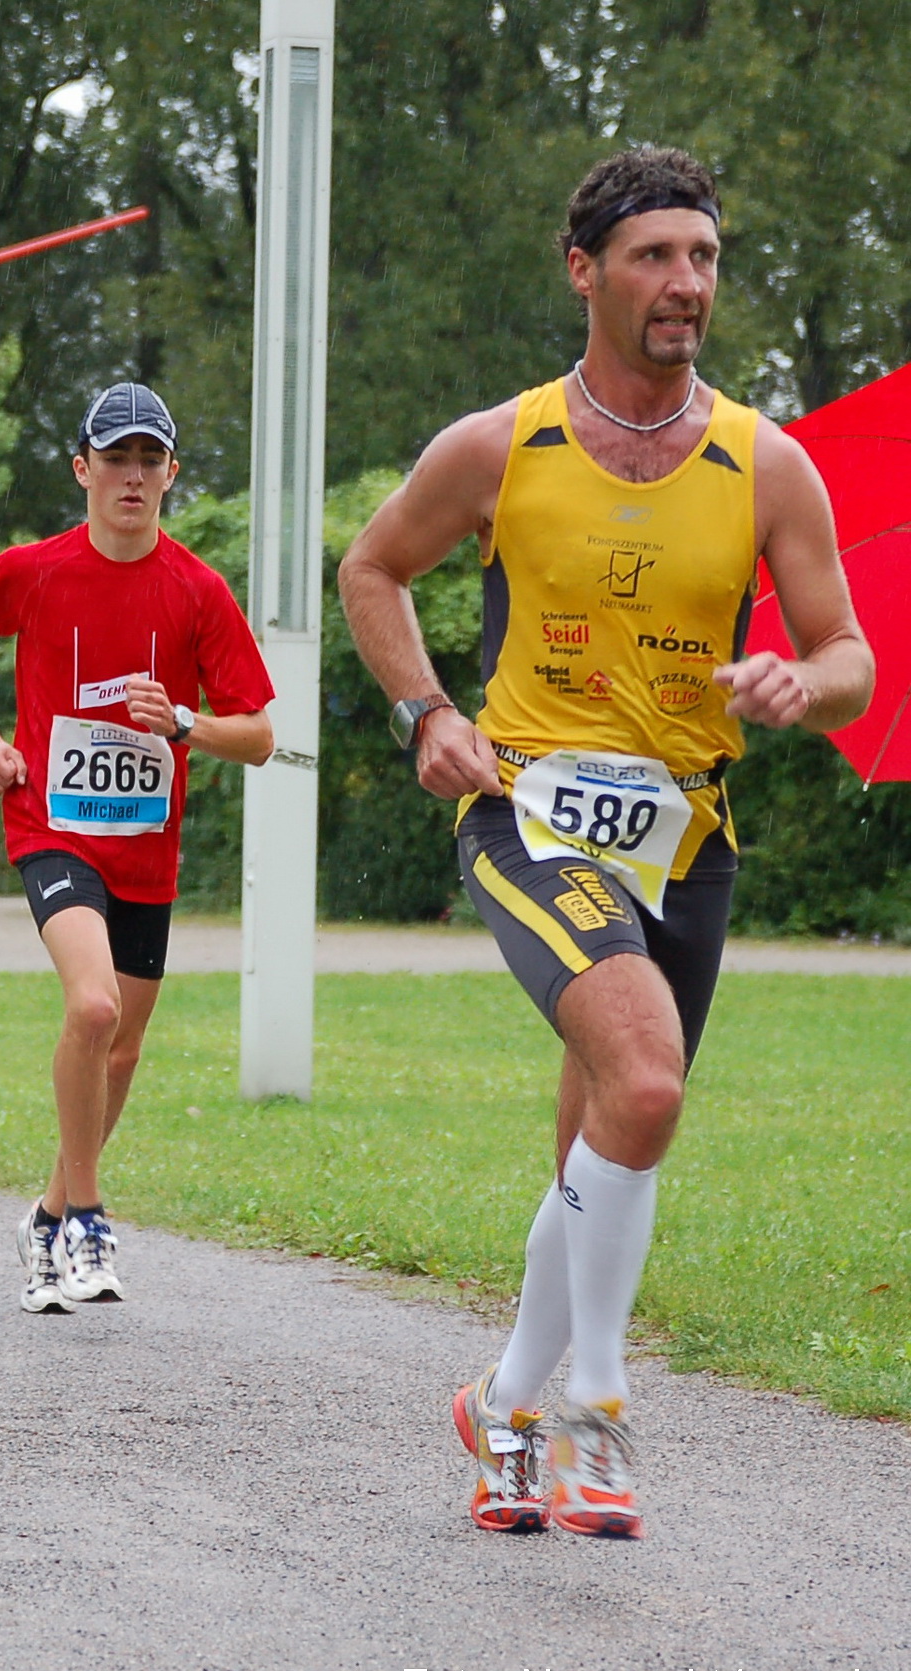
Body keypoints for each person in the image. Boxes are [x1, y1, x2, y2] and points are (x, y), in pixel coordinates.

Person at [338, 148, 873, 1539]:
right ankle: (593, 1408)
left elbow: (850, 656)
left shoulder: (766, 463)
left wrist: (799, 682)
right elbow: (371, 567)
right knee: (643, 1078)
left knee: (614, 1123)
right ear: (584, 271)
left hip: (685, 837)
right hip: (525, 812)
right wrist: (424, 711)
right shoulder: (499, 445)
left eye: (703, 256)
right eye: (653, 256)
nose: (685, 282)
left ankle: (504, 1400)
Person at [0, 382, 274, 1313]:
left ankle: (45, 1218)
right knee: (92, 1007)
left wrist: (187, 722)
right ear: (82, 469)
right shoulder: (31, 570)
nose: (132, 475)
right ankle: (87, 1216)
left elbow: (258, 735)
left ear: (171, 474)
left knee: (119, 1052)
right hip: (51, 827)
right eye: (115, 458)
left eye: (148, 459)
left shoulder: (198, 590)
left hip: (145, 850)